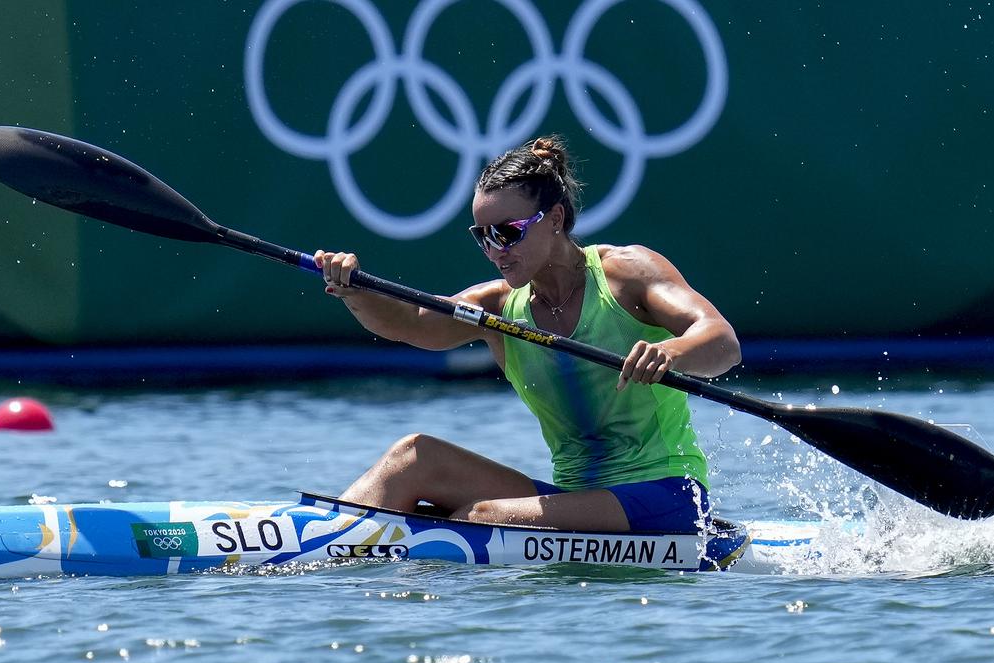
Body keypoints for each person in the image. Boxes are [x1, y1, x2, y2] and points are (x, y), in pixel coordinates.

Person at [314, 136, 740, 533]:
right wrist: (352, 289)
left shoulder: (626, 274)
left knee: (480, 517)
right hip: (576, 499)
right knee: (412, 458)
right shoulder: (496, 307)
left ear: (555, 218)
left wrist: (671, 352)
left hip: (667, 496)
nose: (496, 249)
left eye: (508, 231)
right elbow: (409, 322)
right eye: (482, 236)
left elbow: (722, 342)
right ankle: (324, 544)